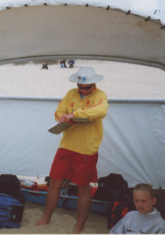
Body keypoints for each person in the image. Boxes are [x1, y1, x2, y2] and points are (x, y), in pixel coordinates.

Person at [35, 67, 108, 233]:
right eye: (80, 86)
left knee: (83, 187)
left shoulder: (100, 96)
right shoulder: (70, 94)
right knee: (54, 182)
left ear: (94, 84)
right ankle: (46, 218)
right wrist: (63, 117)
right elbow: (59, 112)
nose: (83, 89)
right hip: (66, 145)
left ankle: (79, 226)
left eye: (87, 87)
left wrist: (74, 114)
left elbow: (101, 111)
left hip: (87, 149)